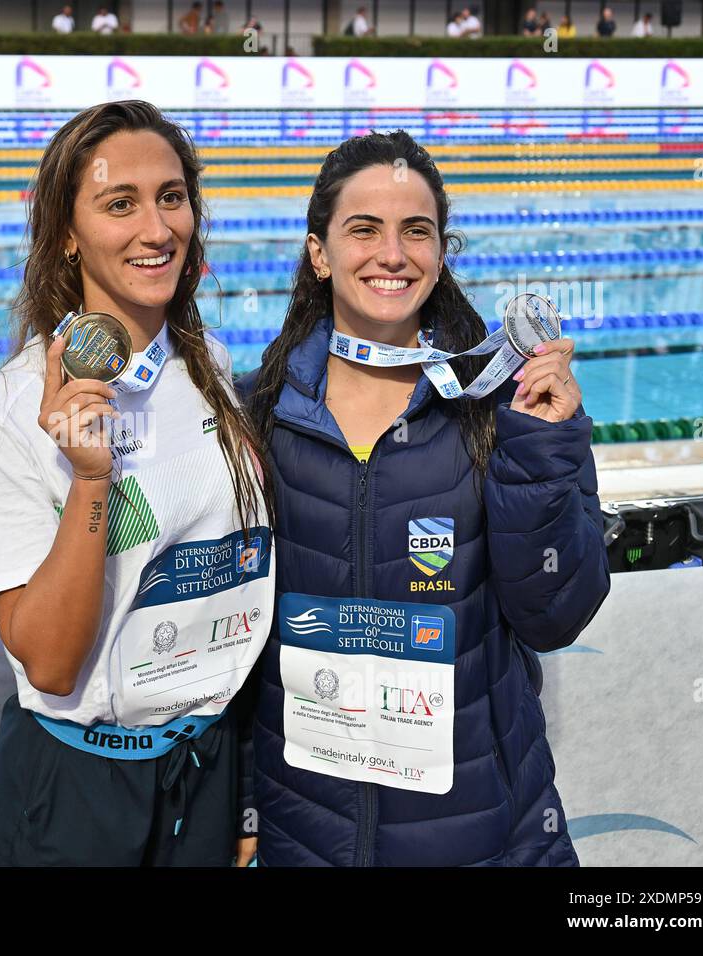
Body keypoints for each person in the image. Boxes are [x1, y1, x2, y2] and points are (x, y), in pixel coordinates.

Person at [239, 130, 609, 865]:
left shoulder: (501, 407)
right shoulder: (263, 412)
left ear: (441, 252)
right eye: (363, 229)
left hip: (483, 831)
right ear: (320, 253)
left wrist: (543, 449)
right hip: (310, 833)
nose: (393, 254)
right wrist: (249, 804)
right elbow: (243, 647)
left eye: (417, 231)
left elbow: (555, 615)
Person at [0, 100, 275, 867]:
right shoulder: (1, 411)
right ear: (66, 234)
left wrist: (247, 794)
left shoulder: (215, 372)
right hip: (75, 790)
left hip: (208, 771)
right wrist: (91, 480)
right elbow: (52, 663)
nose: (157, 229)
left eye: (172, 197)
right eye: (119, 204)